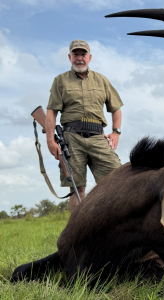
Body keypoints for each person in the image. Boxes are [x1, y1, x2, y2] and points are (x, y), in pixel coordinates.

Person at [45, 39, 123, 213]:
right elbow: (51, 111)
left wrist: (116, 132)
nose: (79, 58)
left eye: (83, 54)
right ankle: (78, 235)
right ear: (69, 57)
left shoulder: (102, 80)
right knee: (77, 188)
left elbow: (116, 108)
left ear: (90, 57)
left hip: (98, 137)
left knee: (116, 182)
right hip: (71, 138)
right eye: (75, 54)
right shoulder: (60, 80)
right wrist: (50, 140)